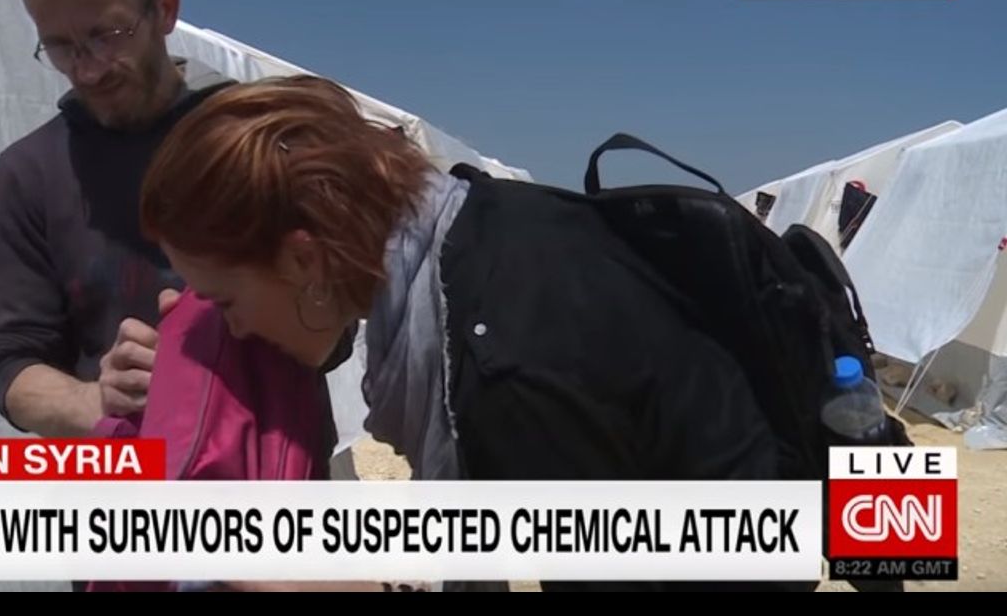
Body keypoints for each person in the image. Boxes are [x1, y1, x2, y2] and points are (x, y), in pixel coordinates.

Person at [138, 75, 808, 591]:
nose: (234, 331)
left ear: (304, 259)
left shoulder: (504, 367)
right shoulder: (469, 228)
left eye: (226, 302)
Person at [0, 0, 358, 471]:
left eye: (107, 34)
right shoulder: (28, 174)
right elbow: (12, 365)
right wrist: (100, 400)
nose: (87, 68)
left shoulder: (257, 136)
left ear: (164, 11)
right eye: (60, 46)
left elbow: (338, 327)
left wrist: (207, 361)